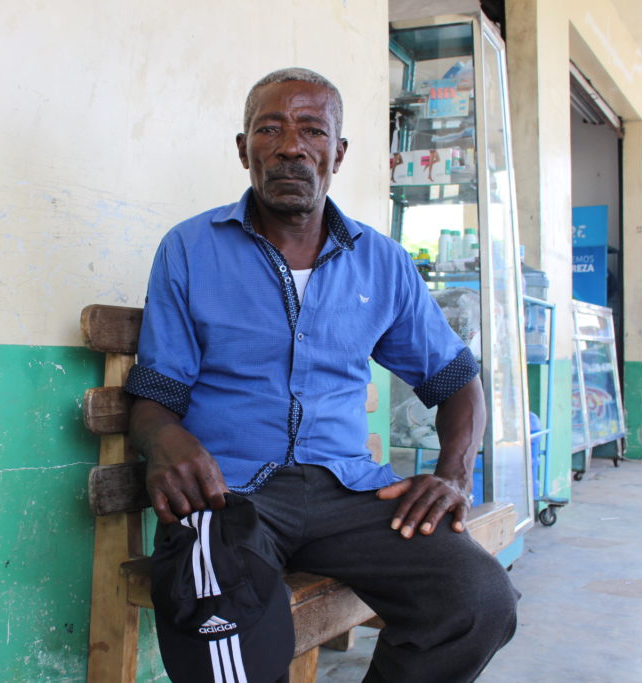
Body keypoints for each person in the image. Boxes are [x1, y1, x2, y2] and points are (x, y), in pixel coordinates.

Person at [125, 67, 518, 682]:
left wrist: (453, 476)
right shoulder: (190, 248)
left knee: (476, 601)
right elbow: (156, 398)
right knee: (219, 622)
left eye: (312, 129)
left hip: (350, 493)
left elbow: (456, 380)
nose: (290, 145)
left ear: (338, 151)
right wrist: (163, 438)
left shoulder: (380, 262)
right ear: (243, 148)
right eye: (269, 129)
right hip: (231, 495)